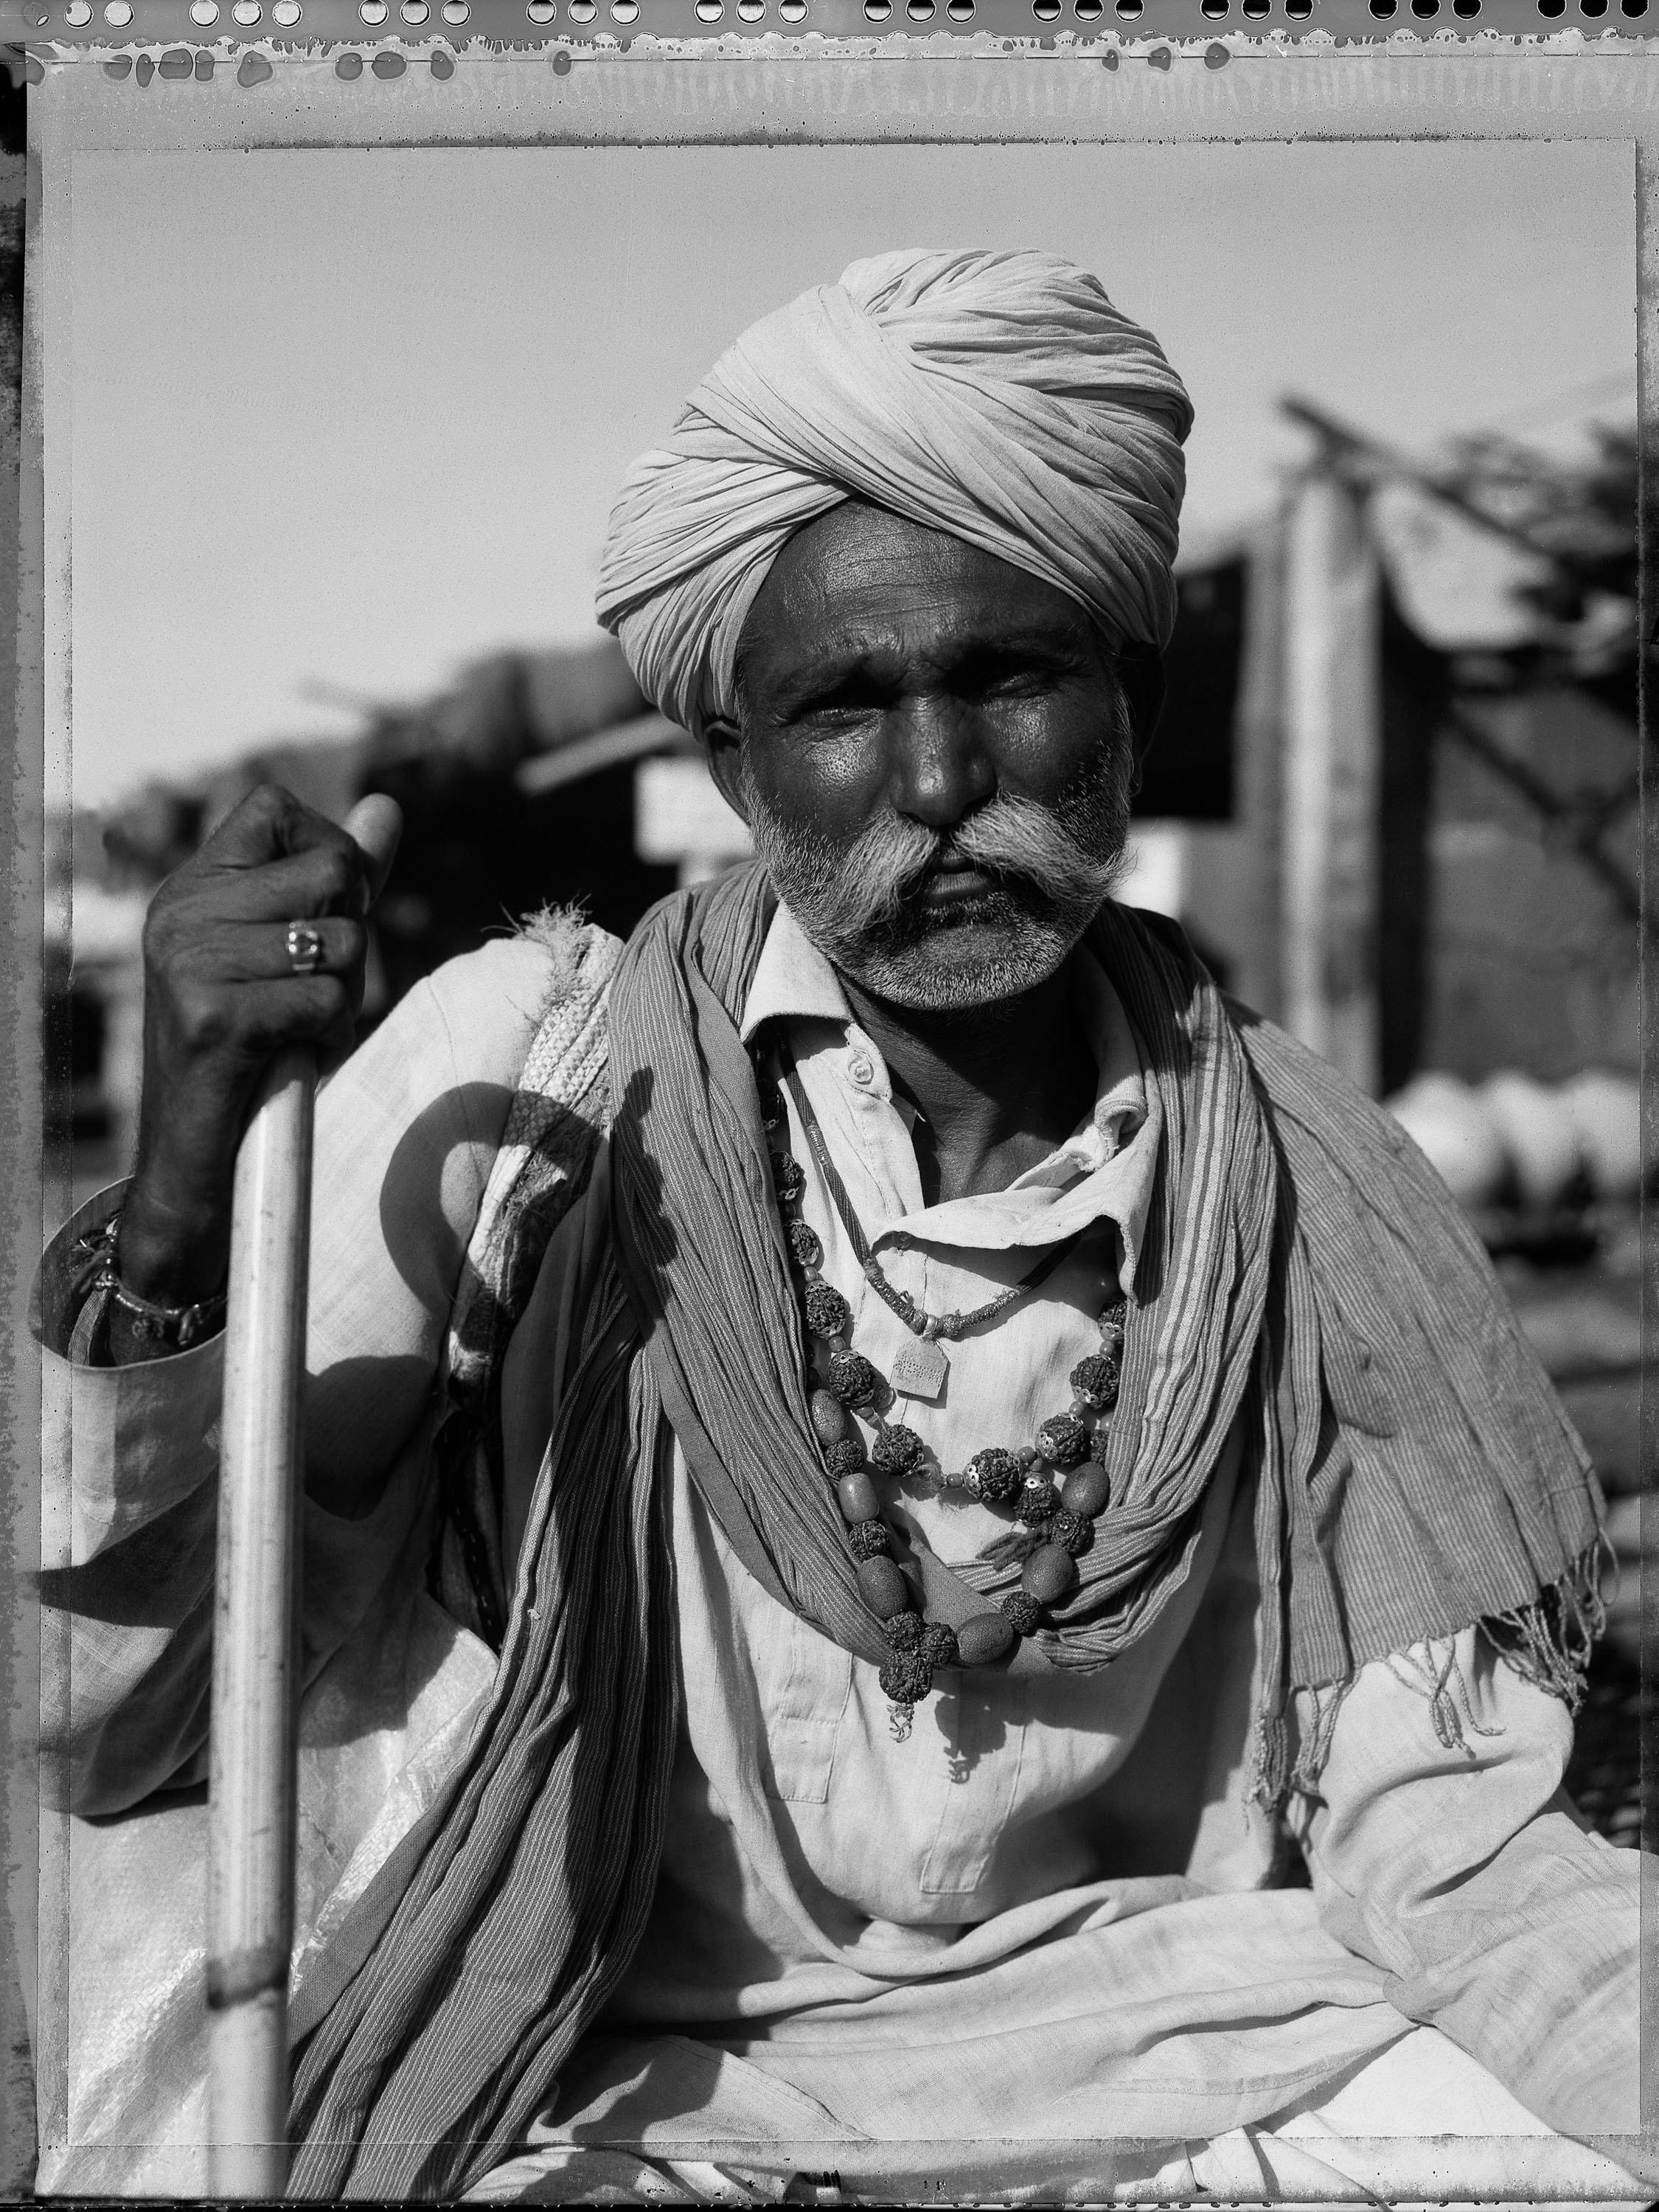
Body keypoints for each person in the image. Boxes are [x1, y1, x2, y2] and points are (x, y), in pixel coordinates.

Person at [35, 248, 1648, 2205]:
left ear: (1130, 705)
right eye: (843, 707)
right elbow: (114, 1721)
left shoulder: (1307, 1189)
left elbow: (1452, 1848)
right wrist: (185, 1184)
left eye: (1010, 679)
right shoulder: (532, 1090)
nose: (942, 782)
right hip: (635, 2096)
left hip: (1201, 2056)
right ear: (735, 765)